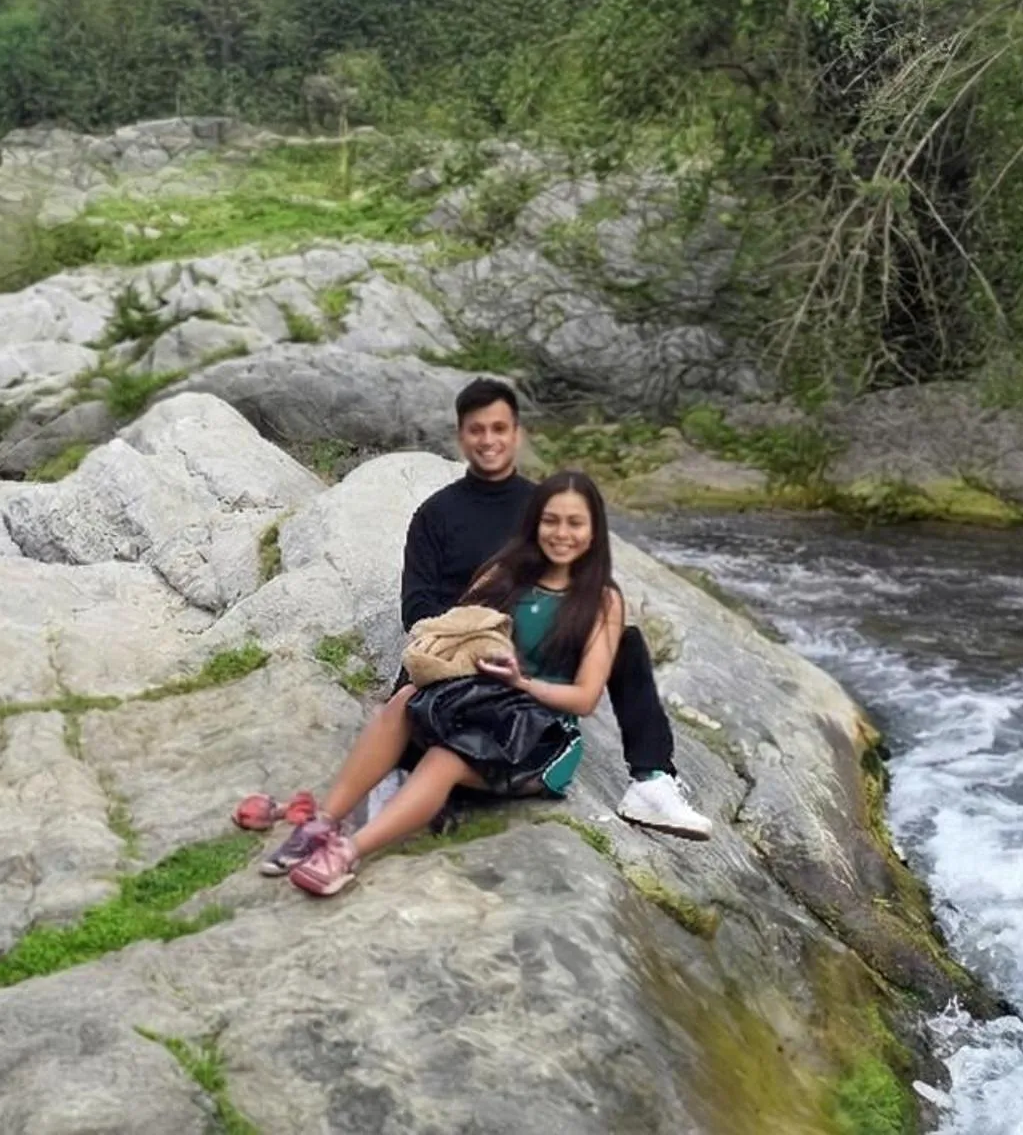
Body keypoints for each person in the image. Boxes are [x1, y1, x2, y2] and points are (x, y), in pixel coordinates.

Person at [269, 471, 626, 896]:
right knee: (404, 700)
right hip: (485, 699)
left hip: (539, 734)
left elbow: (585, 698)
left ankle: (348, 851)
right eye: (551, 521)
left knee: (447, 756)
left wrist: (523, 682)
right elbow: (453, 630)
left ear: (594, 530)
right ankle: (323, 823)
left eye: (575, 523)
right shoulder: (503, 571)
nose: (561, 533)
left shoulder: (603, 600)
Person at [398, 377, 711, 839]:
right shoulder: (435, 514)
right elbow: (417, 608)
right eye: (477, 430)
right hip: (466, 651)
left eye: (500, 428)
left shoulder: (543, 507)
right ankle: (417, 776)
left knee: (623, 639)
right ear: (461, 436)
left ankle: (651, 780)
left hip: (535, 653)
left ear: (517, 434)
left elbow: (577, 585)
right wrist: (482, 634)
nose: (489, 441)